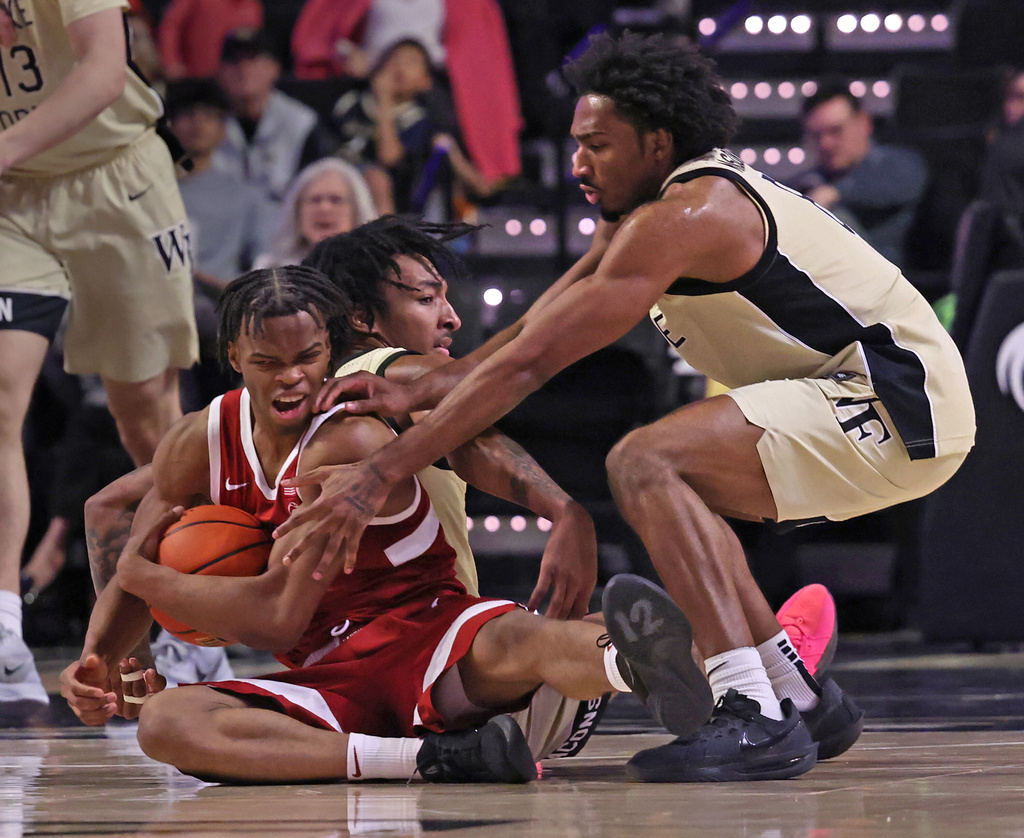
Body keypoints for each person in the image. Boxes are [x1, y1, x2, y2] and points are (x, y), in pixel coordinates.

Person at [276, 32, 976, 782]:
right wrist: (426, 384)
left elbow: (535, 364)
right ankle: (796, 695)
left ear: (657, 143)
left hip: (896, 399)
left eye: (597, 146)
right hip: (871, 398)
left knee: (645, 460)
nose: (577, 164)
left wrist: (378, 474)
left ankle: (754, 714)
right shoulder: (641, 214)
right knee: (678, 478)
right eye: (576, 145)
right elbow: (531, 332)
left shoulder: (686, 215)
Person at [59, 264, 707, 784]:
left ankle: (637, 663)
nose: (291, 378)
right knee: (167, 724)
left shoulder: (350, 437)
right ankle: (431, 762)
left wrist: (148, 578)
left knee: (523, 638)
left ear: (332, 350)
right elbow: (134, 544)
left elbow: (270, 617)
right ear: (234, 354)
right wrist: (102, 663)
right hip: (333, 675)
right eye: (268, 362)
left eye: (308, 357)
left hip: (426, 634)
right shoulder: (196, 443)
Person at [0, 0, 198, 721]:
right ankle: (4, 637)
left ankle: (196, 615)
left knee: (144, 418)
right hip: (10, 201)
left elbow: (105, 71)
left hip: (113, 180)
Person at [328, 37, 492, 215]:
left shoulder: (419, 121)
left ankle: (383, 241)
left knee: (376, 179)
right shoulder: (349, 103)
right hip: (335, 181)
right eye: (395, 59)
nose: (400, 66)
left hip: (390, 202)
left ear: (426, 81)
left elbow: (389, 157)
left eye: (412, 62)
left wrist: (384, 100)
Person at [792, 78, 928, 266]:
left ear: (864, 123)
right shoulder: (808, 181)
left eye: (836, 130)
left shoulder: (896, 164)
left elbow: (906, 183)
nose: (826, 144)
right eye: (816, 135)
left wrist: (833, 194)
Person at [213, 28, 327, 241]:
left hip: (284, 234)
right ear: (220, 71)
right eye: (234, 61)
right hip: (221, 234)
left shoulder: (300, 123)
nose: (243, 69)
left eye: (254, 60)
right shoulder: (204, 123)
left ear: (275, 68)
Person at [253, 158, 377, 269]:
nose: (324, 208)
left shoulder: (374, 271)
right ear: (297, 211)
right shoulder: (269, 268)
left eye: (335, 200)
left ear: (356, 210)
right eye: (315, 200)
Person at [158, 0, 263, 81]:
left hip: (231, 87)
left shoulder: (252, 7)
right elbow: (171, 26)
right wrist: (170, 61)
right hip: (194, 80)